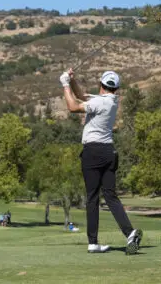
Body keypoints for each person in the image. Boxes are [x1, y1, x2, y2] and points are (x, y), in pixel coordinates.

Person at [60, 69, 143, 254]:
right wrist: (72, 81)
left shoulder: (99, 102)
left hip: (93, 152)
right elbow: (81, 95)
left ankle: (93, 242)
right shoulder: (111, 101)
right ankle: (129, 233)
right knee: (110, 195)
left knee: (92, 197)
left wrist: (64, 83)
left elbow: (73, 107)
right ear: (116, 88)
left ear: (101, 84)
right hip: (109, 152)